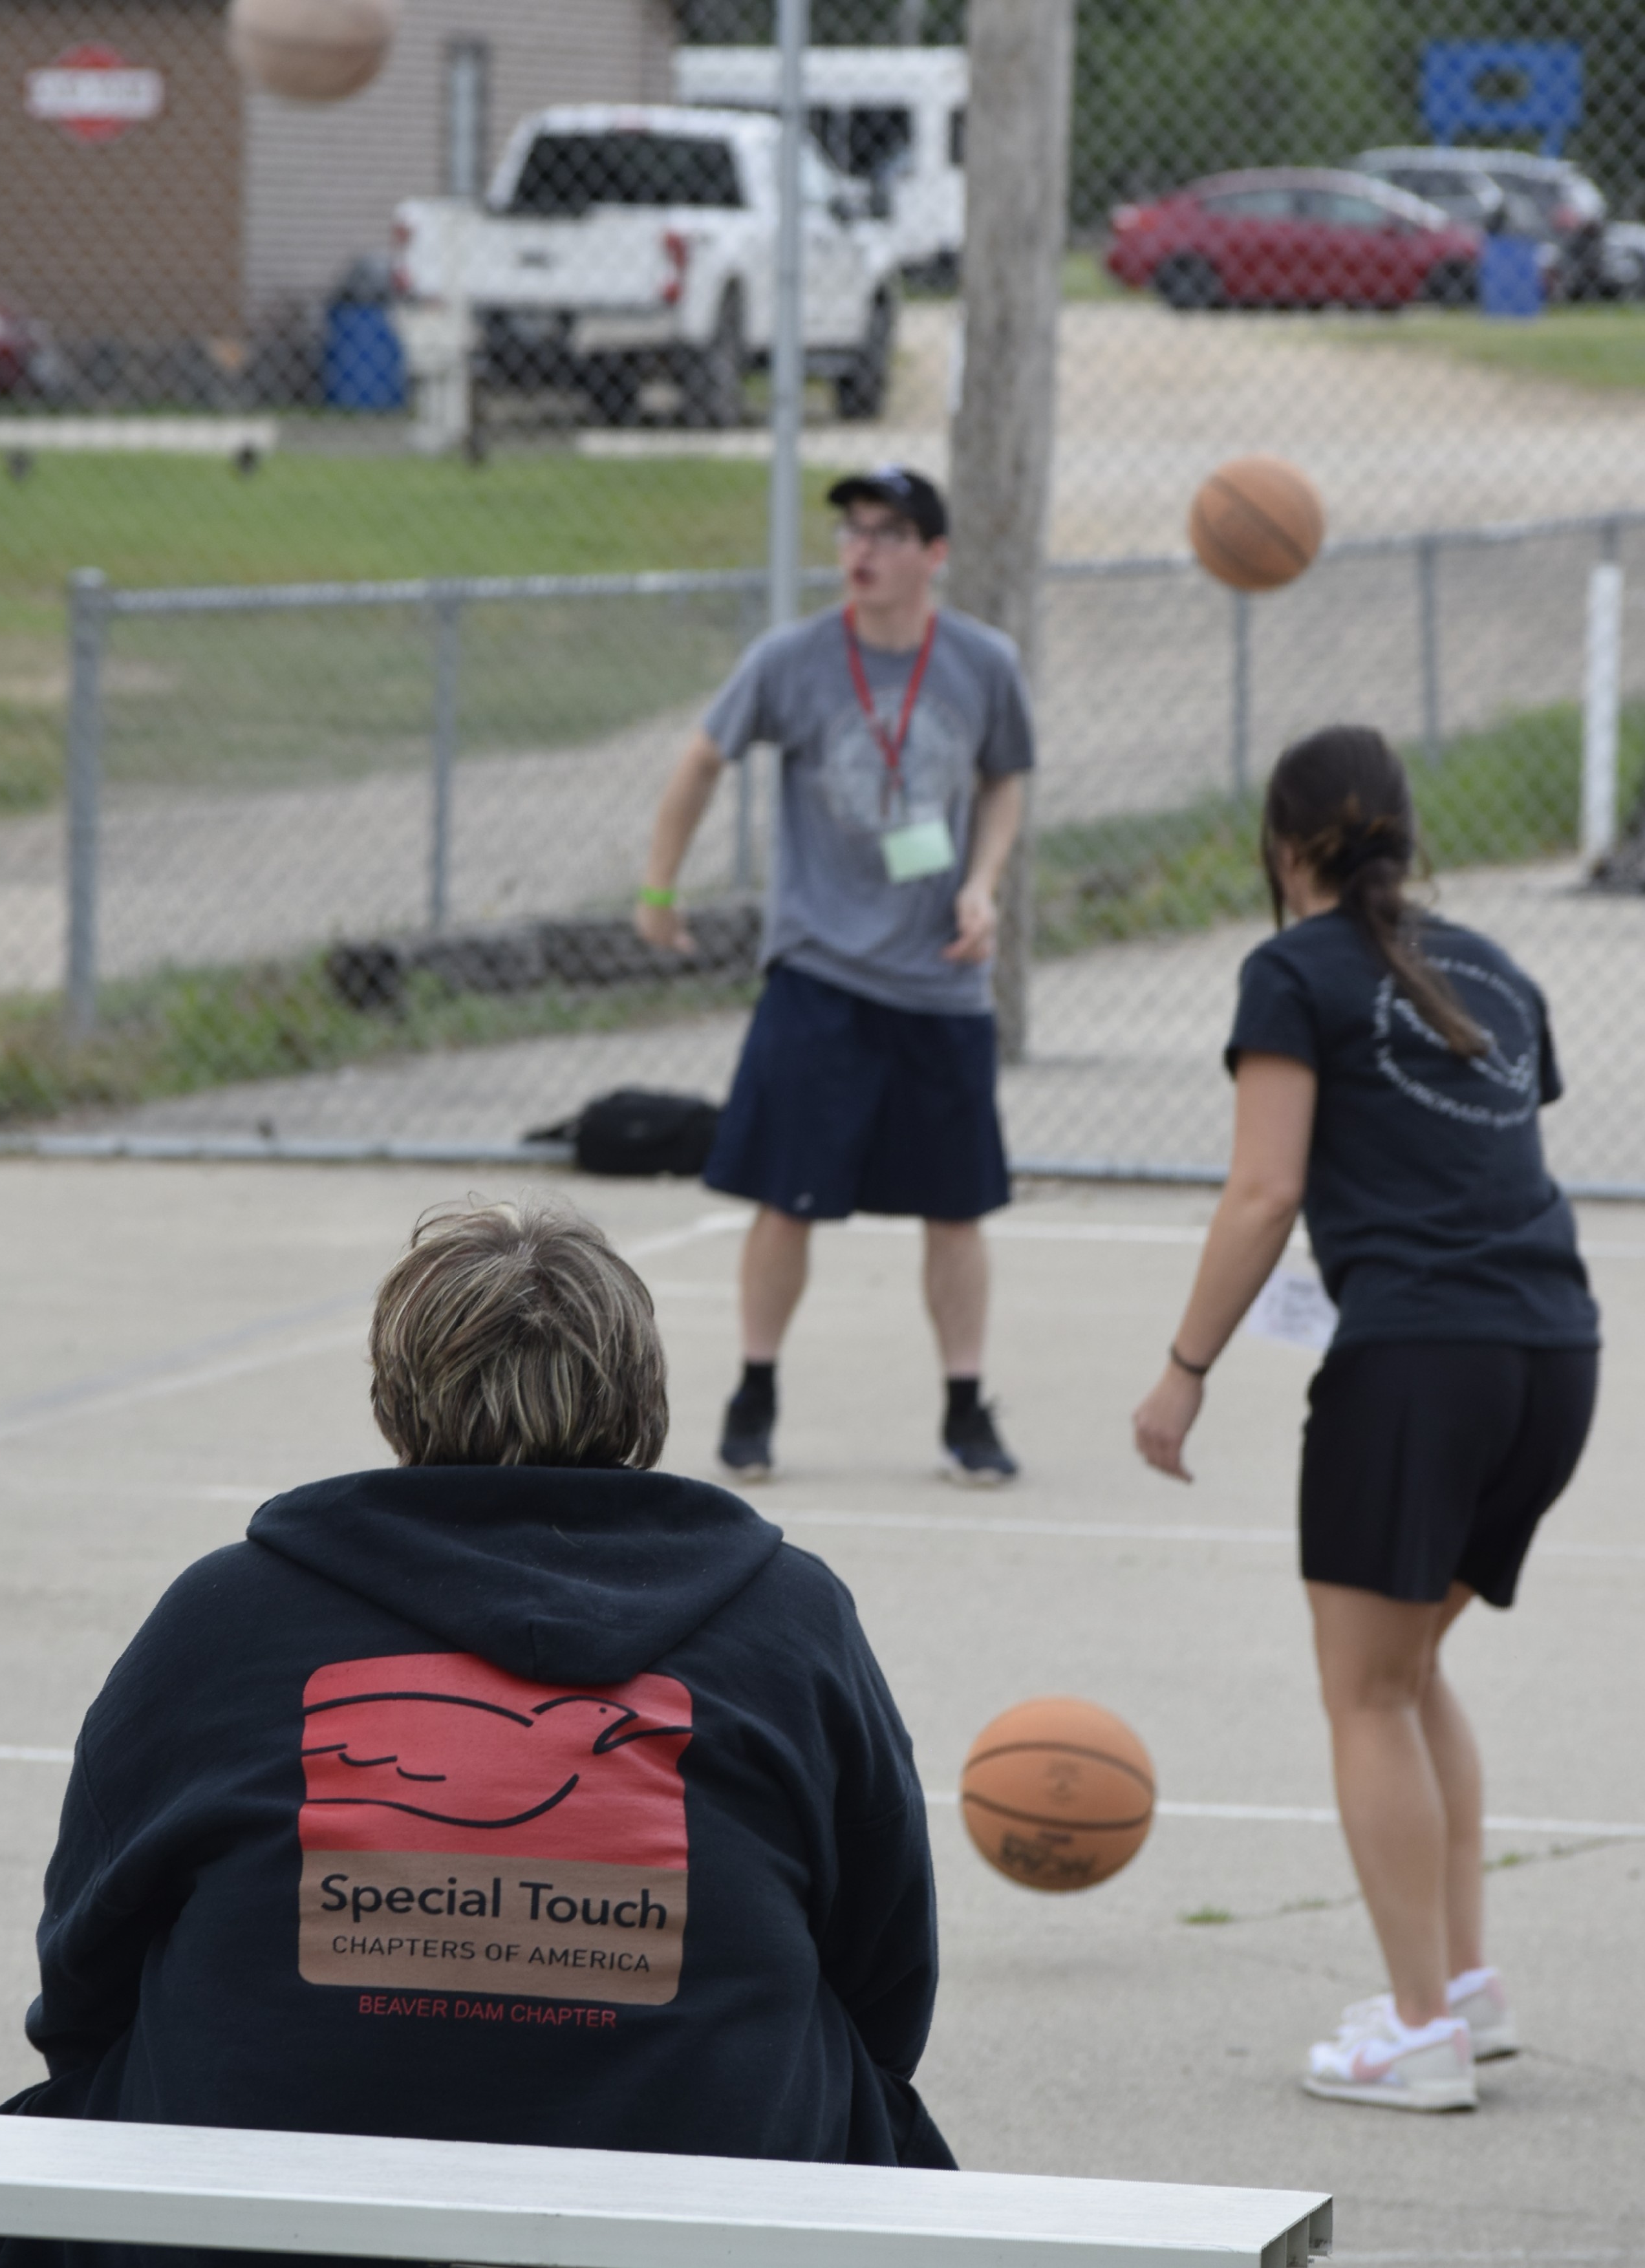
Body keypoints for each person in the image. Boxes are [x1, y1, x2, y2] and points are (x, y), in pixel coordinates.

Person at [0, 1202, 952, 2266]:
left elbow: (86, 1966)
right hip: (694, 2222)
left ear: (395, 1395)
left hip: (258, 2226)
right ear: (643, 1399)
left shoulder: (225, 1617)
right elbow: (885, 1977)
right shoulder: (789, 1621)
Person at [1132, 726, 1599, 2115]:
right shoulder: (1496, 970)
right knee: (1410, 1668)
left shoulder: (1291, 970)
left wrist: (1183, 1366)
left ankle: (1414, 2032)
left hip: (1421, 1362)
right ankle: (1460, 1986)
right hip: (1553, 1353)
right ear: (1401, 830)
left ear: (1284, 849)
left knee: (1365, 1689)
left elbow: (1264, 1191)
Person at [635, 465, 1035, 1486]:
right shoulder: (796, 660)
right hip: (820, 973)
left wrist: (984, 882)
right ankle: (755, 1391)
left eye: (889, 533)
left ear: (934, 555)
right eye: (853, 530)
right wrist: (660, 883)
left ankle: (963, 1408)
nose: (862, 550)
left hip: (939, 984)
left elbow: (1006, 777)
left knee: (957, 1209)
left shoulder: (984, 663)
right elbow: (700, 757)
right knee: (788, 1198)